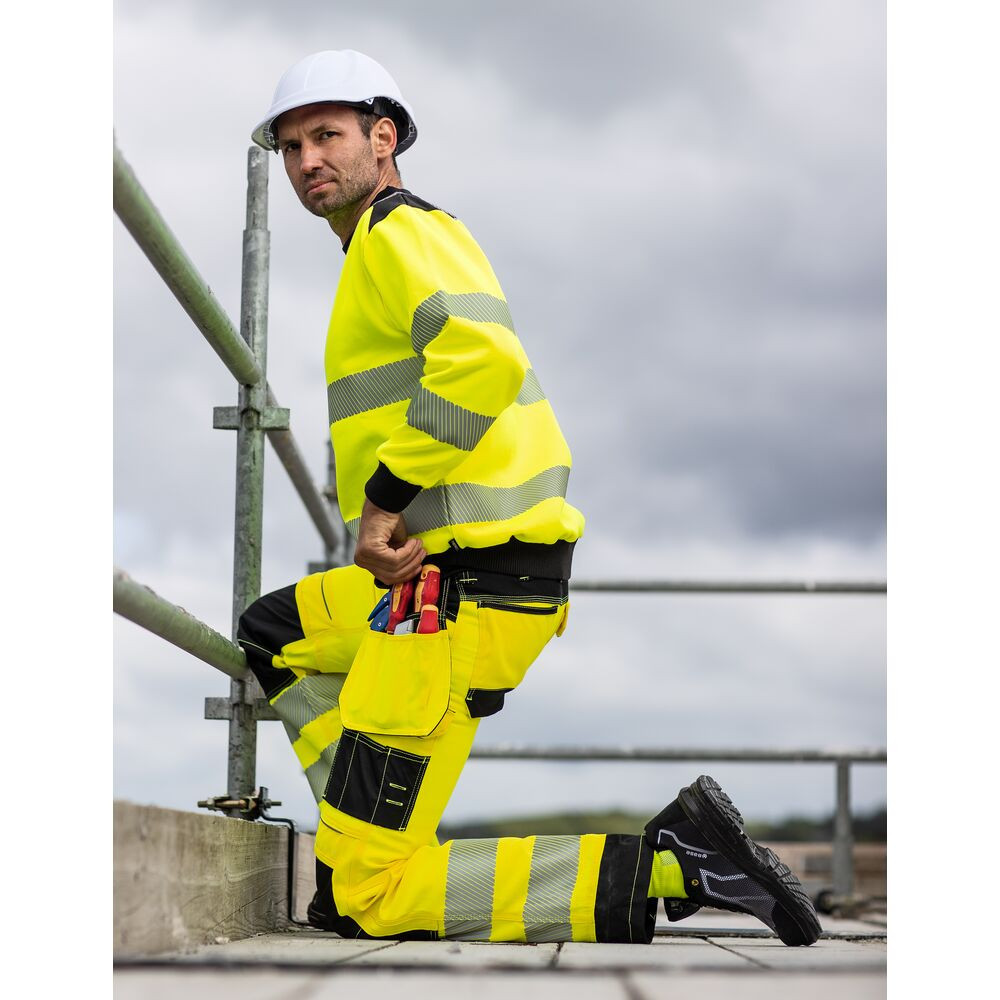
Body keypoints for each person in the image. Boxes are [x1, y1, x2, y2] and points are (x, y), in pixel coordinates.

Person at [237, 49, 820, 947]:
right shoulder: (389, 242)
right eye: (290, 146)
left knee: (368, 902)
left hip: (455, 597)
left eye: (327, 135)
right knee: (276, 630)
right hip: (446, 583)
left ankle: (674, 863)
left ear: (383, 138)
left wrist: (382, 504)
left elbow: (483, 359)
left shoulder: (395, 231)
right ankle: (364, 832)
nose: (307, 159)